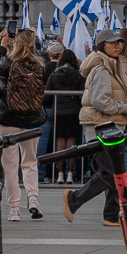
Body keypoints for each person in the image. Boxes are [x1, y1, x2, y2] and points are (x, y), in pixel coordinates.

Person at [65, 28, 127, 225]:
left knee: (116, 170)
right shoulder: (102, 68)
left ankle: (110, 214)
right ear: (101, 46)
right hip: (100, 126)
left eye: (118, 43)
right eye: (112, 43)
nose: (117, 46)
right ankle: (73, 200)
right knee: (109, 171)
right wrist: (123, 108)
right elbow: (100, 100)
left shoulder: (111, 64)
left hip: (108, 125)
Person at [0, 28, 47, 220]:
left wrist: (2, 45)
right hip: (31, 119)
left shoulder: (6, 63)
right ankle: (33, 198)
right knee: (30, 162)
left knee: (9, 165)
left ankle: (14, 208)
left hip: (7, 118)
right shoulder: (40, 64)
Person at [44, 47, 85, 184]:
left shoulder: (54, 75)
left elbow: (47, 97)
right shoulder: (78, 75)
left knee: (60, 143)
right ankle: (70, 174)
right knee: (72, 143)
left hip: (59, 112)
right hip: (74, 112)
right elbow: (83, 95)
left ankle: (60, 174)